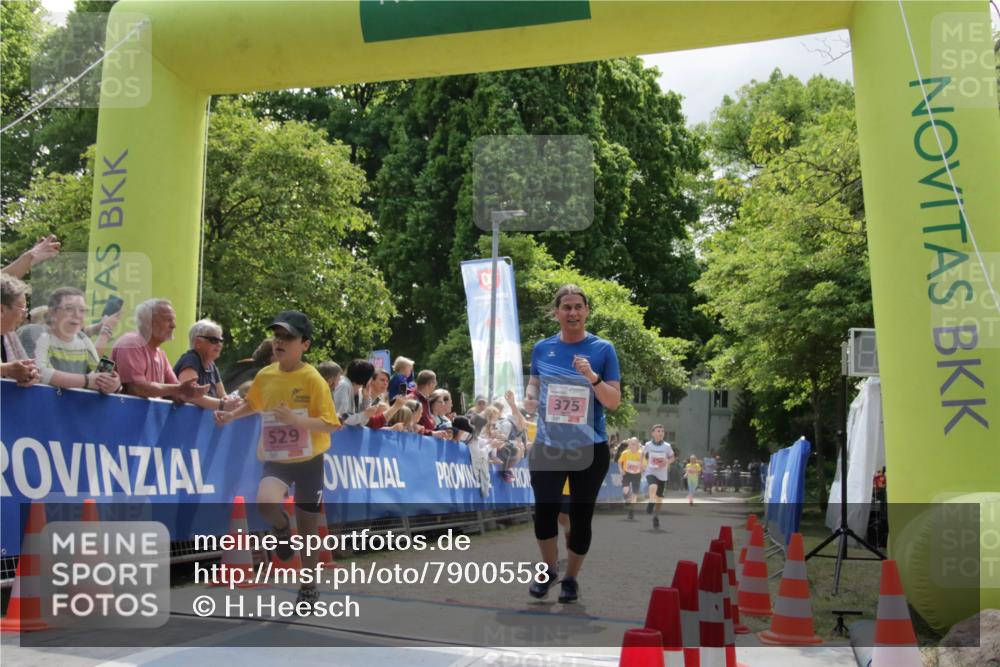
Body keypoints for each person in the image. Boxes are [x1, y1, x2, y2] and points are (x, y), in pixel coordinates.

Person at [214, 310, 339, 610]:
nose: (279, 342)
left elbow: (330, 423)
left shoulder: (313, 379)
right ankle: (282, 528)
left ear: (304, 344)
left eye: (288, 338)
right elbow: (252, 403)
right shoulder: (265, 375)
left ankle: (308, 586)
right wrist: (231, 415)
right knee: (265, 502)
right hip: (276, 457)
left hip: (309, 459)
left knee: (309, 529)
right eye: (276, 336)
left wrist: (297, 423)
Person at [525, 284, 621, 603]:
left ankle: (571, 579)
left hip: (589, 448)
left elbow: (613, 401)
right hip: (549, 445)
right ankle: (550, 569)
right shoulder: (542, 349)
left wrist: (592, 377)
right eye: (566, 307)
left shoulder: (603, 349)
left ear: (587, 311)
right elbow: (534, 387)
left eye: (578, 306)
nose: (573, 312)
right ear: (556, 313)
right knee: (544, 511)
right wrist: (529, 400)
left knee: (580, 518)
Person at [111, 298, 209, 402]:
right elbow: (137, 388)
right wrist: (180, 390)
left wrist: (191, 391)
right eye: (168, 320)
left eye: (173, 320)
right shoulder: (131, 344)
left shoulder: (160, 353)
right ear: (148, 322)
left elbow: (177, 391)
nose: (174, 325)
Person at [33, 287, 121, 394]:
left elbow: (97, 376)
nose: (77, 315)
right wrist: (87, 380)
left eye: (82, 310)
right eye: (69, 309)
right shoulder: (39, 334)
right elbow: (39, 373)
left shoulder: (83, 339)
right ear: (52, 312)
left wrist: (113, 384)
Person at [173, 319, 240, 411]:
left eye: (221, 340)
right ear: (198, 343)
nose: (219, 344)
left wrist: (234, 403)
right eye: (214, 340)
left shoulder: (211, 365)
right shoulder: (191, 359)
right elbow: (190, 394)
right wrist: (222, 404)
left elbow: (223, 396)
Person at [1, 274, 40, 385]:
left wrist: (30, 373)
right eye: (22, 308)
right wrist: (6, 369)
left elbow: (22, 368)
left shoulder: (10, 336)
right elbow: (9, 369)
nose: (25, 315)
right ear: (1, 309)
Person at [642, 425, 675, 529]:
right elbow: (642, 454)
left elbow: (672, 457)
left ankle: (655, 516)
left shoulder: (667, 446)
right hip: (651, 471)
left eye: (662, 431)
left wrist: (667, 461)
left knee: (659, 498)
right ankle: (651, 502)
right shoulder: (648, 445)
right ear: (653, 433)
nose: (661, 433)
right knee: (653, 486)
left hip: (662, 474)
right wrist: (641, 465)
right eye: (658, 431)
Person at [618, 437, 643, 520]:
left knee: (635, 494)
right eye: (631, 444)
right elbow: (619, 462)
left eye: (634, 444)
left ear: (638, 445)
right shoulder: (625, 453)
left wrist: (642, 468)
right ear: (629, 445)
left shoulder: (641, 454)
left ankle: (631, 511)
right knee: (625, 489)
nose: (632, 446)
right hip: (627, 473)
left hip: (637, 475)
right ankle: (626, 498)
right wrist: (621, 469)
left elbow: (644, 464)